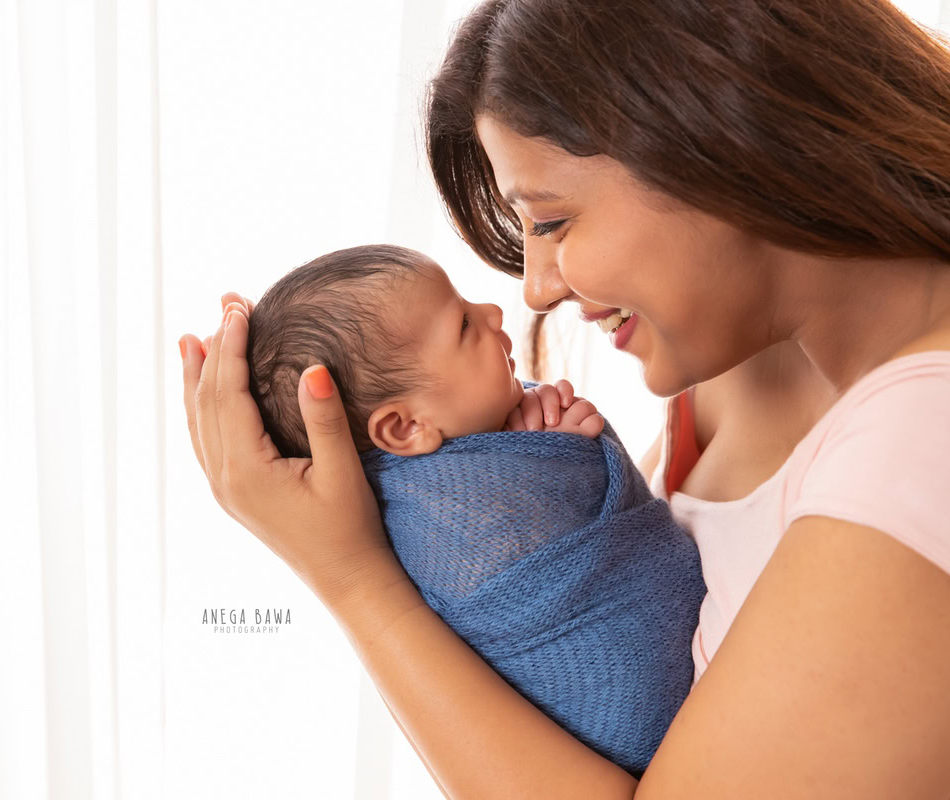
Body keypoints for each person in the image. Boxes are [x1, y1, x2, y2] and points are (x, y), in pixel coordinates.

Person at [179, 0, 950, 795]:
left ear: (717, 140)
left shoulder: (921, 433)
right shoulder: (732, 373)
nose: (537, 289)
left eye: (549, 220)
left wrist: (353, 580)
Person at [246, 242, 707, 775]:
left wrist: (543, 447)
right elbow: (535, 547)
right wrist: (566, 457)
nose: (492, 313)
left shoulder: (485, 451)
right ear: (405, 428)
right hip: (622, 727)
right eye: (464, 325)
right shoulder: (442, 514)